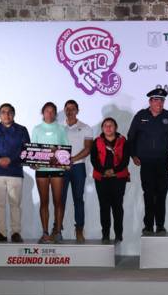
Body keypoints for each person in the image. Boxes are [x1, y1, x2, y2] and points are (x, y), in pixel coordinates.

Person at [127, 87, 168, 234]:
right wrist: (133, 155)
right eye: (156, 100)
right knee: (148, 194)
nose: (159, 103)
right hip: (147, 163)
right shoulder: (141, 116)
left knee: (161, 195)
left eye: (162, 101)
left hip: (163, 162)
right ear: (150, 101)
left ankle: (160, 225)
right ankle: (148, 225)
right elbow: (131, 137)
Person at [0, 103, 30, 243]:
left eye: (9, 112)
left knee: (15, 204)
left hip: (15, 171)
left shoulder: (21, 130)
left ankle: (16, 233)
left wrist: (10, 159)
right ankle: (1, 233)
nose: (6, 114)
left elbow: (26, 149)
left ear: (13, 114)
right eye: (3, 112)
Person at [31, 101, 69, 243]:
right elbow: (33, 149)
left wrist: (58, 153)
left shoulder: (61, 129)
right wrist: (33, 162)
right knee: (44, 202)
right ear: (43, 112)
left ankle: (58, 232)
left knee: (58, 202)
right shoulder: (37, 129)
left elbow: (65, 148)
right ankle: (45, 233)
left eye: (52, 111)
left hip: (57, 169)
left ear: (55, 114)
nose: (50, 113)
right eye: (47, 111)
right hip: (41, 170)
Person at [91, 117, 130, 243]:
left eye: (111, 125)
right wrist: (104, 171)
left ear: (116, 127)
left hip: (118, 178)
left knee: (117, 206)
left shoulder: (123, 141)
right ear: (102, 128)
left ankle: (119, 234)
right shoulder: (97, 141)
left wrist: (113, 171)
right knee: (104, 207)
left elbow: (125, 160)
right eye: (105, 125)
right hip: (101, 178)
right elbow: (93, 160)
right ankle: (105, 235)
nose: (108, 128)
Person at [61, 99, 94, 242]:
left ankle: (79, 229)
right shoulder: (58, 128)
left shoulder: (86, 128)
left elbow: (88, 149)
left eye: (73, 108)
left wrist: (72, 159)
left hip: (78, 167)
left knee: (78, 199)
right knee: (59, 200)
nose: (70, 111)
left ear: (77, 111)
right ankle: (57, 229)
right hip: (61, 167)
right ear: (64, 110)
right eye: (67, 109)